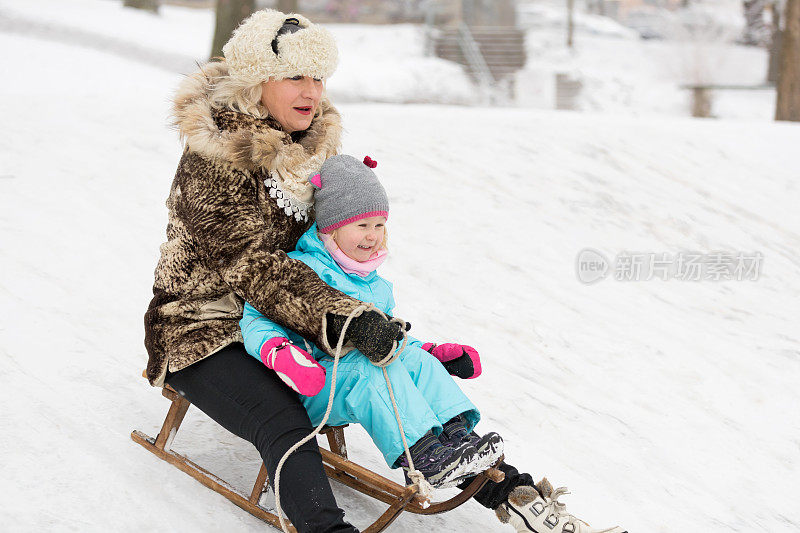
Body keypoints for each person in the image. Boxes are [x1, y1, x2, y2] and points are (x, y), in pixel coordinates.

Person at [142, 7, 626, 533]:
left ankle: (514, 493)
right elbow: (254, 268)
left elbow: (331, 250)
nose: (312, 90)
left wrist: (383, 326)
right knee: (284, 417)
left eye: (319, 77)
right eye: (295, 76)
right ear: (258, 79)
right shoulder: (213, 161)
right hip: (207, 330)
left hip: (298, 322)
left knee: (403, 371)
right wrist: (348, 319)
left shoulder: (311, 149)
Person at [240, 154, 504, 489]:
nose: (373, 236)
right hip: (309, 385)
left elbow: (387, 339)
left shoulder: (373, 283)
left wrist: (430, 352)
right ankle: (422, 456)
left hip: (345, 381)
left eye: (379, 225)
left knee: (413, 360)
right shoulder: (298, 268)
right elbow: (256, 319)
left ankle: (458, 437)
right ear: (330, 229)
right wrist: (283, 355)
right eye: (362, 226)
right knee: (371, 370)